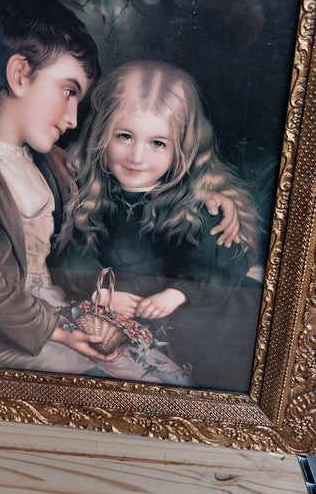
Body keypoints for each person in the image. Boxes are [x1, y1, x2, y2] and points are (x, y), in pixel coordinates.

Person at [0, 0, 239, 384]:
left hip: (67, 311)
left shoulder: (44, 154)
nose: (73, 119)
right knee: (123, 388)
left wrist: (211, 193)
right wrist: (66, 331)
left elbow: (119, 180)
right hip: (7, 333)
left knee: (171, 380)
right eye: (68, 92)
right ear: (19, 74)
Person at [54, 60, 262, 391]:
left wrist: (179, 292)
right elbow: (71, 251)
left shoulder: (200, 200)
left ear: (181, 149)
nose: (137, 157)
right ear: (101, 135)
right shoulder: (89, 192)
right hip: (119, 305)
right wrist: (99, 291)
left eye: (157, 143)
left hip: (191, 309)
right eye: (124, 136)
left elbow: (219, 257)